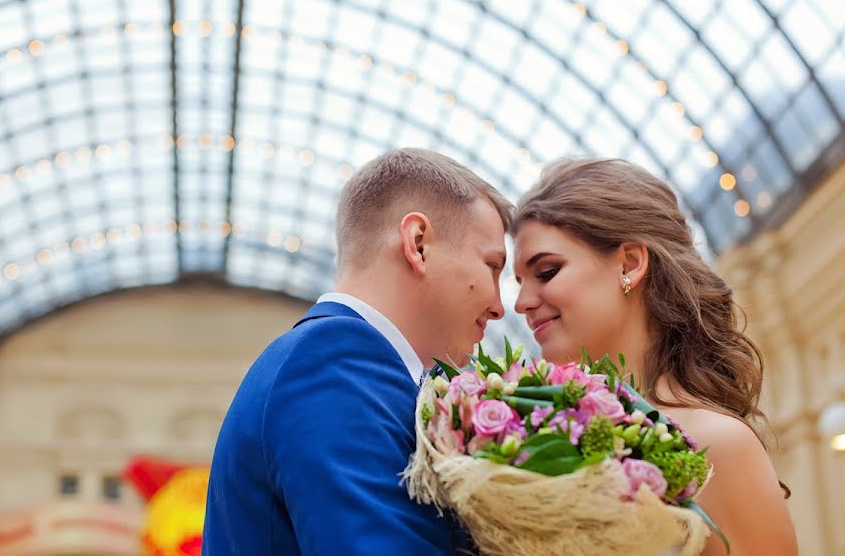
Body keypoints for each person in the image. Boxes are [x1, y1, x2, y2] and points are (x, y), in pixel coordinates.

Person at [203, 147, 512, 554]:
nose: (498, 306)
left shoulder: (351, 367)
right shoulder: (332, 364)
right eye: (492, 266)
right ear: (418, 244)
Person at [511, 157, 798, 556]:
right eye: (518, 282)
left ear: (629, 263)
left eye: (545, 272)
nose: (521, 303)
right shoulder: (539, 435)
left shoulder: (718, 444)